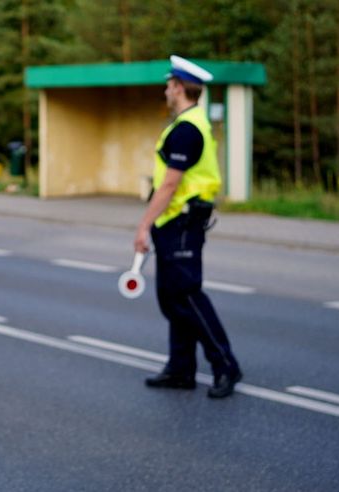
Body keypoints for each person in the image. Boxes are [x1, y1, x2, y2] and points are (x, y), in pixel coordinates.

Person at [135, 56, 243, 399]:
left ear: (180, 87)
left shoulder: (186, 129)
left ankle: (226, 365)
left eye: (169, 85)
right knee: (172, 298)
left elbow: (168, 185)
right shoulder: (189, 123)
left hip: (181, 221)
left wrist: (142, 226)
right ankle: (181, 369)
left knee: (187, 296)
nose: (166, 90)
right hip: (175, 222)